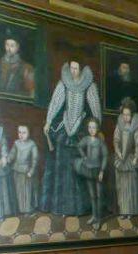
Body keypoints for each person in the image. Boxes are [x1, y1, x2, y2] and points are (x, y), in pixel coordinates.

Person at [40, 60, 101, 217]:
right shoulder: (64, 83)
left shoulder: (89, 85)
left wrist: (97, 128)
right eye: (72, 68)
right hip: (64, 129)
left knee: (78, 168)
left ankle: (79, 208)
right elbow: (55, 103)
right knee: (62, 167)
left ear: (81, 69)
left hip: (81, 130)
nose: (73, 71)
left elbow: (96, 109)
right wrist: (48, 121)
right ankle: (61, 207)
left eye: (76, 68)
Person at [113, 98, 138, 218]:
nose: (126, 117)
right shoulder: (119, 126)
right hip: (121, 158)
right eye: (124, 114)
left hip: (131, 158)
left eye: (128, 115)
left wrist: (136, 157)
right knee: (122, 187)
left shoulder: (136, 127)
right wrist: (118, 152)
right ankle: (124, 211)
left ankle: (131, 211)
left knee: (131, 186)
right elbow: (116, 140)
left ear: (132, 115)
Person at [74, 119, 107, 227]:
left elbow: (105, 156)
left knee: (99, 195)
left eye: (94, 127)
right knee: (92, 195)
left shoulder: (100, 142)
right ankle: (94, 216)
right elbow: (79, 146)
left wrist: (102, 171)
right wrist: (84, 156)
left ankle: (98, 219)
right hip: (88, 169)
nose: (92, 130)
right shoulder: (86, 139)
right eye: (90, 127)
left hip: (98, 171)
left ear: (98, 129)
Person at [7, 125, 38, 215]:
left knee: (26, 192)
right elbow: (12, 154)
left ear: (29, 133)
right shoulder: (16, 143)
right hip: (16, 170)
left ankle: (27, 210)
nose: (21, 135)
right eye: (19, 132)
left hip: (26, 172)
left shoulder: (32, 144)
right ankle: (18, 209)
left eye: (24, 133)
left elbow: (35, 159)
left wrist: (31, 171)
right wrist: (7, 160)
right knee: (17, 191)